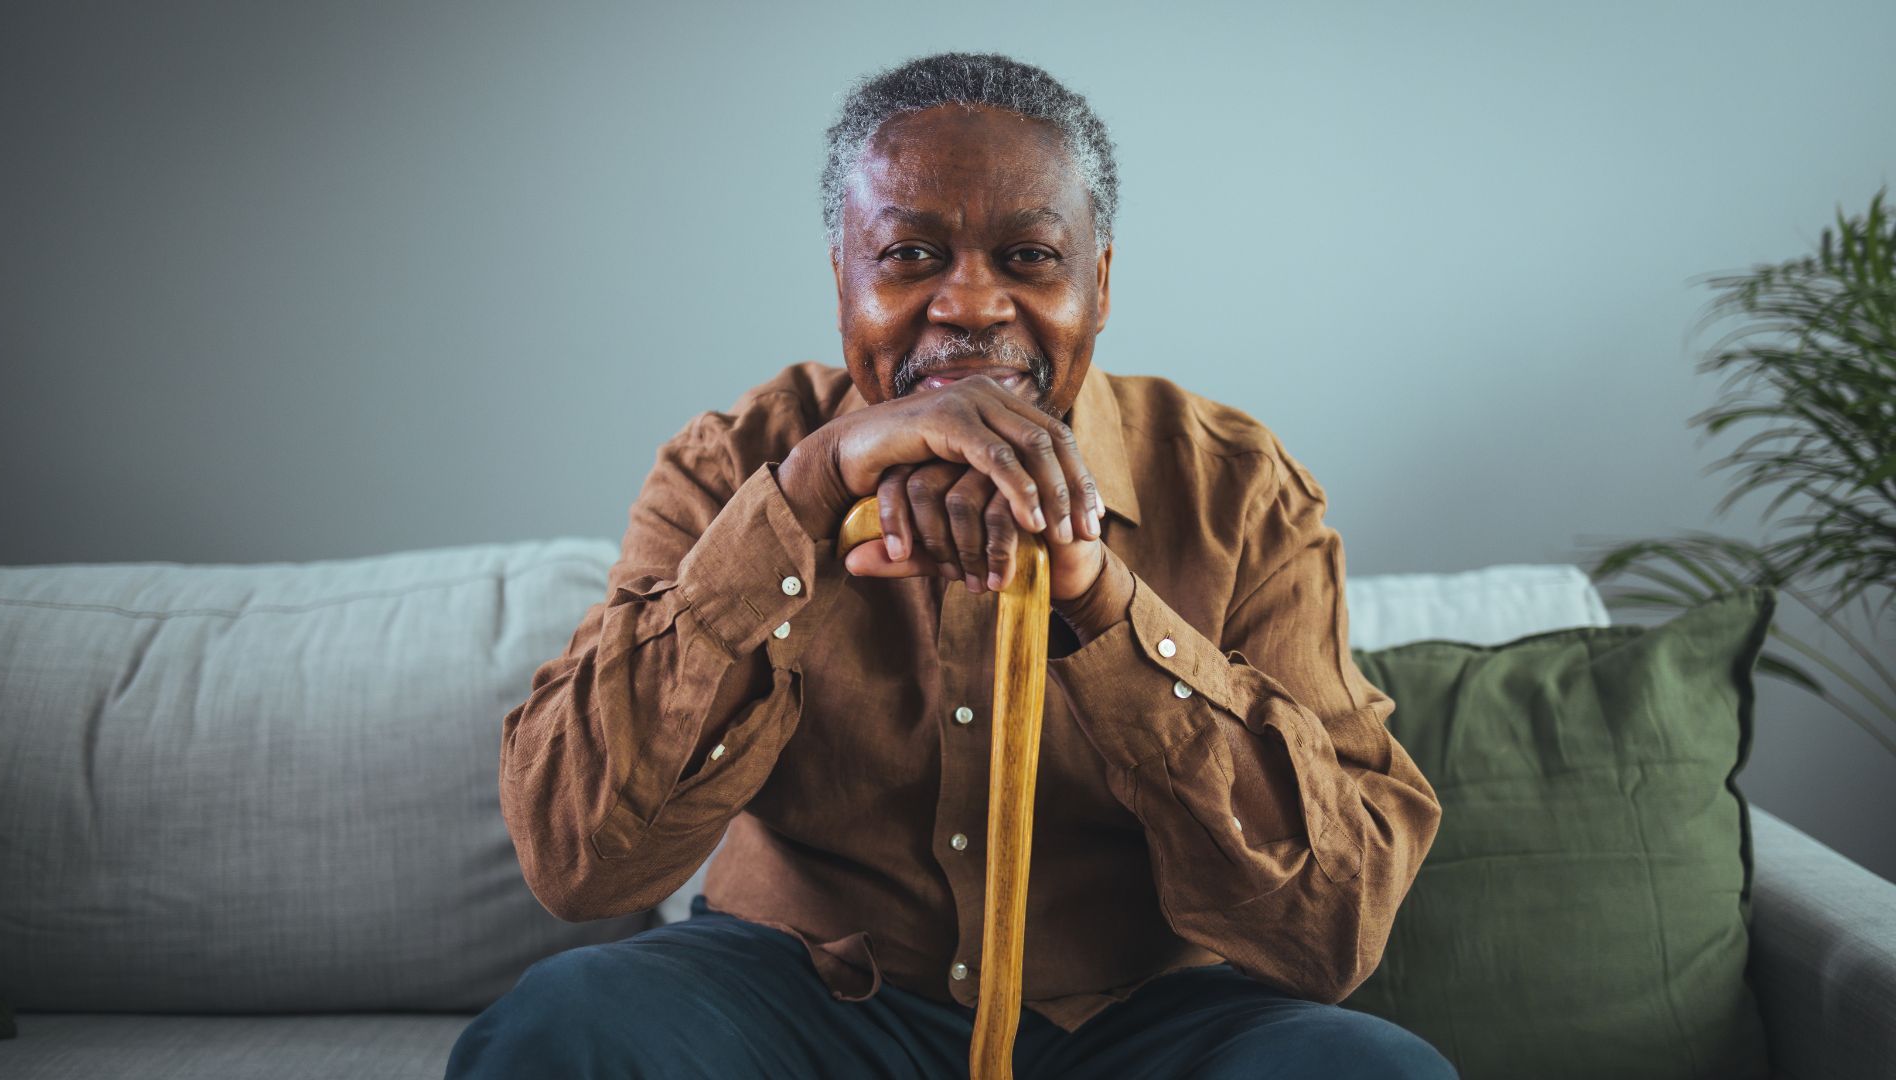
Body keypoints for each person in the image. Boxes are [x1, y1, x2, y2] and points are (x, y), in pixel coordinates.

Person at [447, 51, 1453, 1080]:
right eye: (912, 255)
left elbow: (1333, 930)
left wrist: (1100, 601)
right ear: (843, 275)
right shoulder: (730, 465)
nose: (970, 306)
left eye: (1028, 259)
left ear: (1098, 284)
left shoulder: (1240, 488)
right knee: (566, 1026)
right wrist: (803, 499)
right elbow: (577, 861)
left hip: (1142, 1018)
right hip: (796, 996)